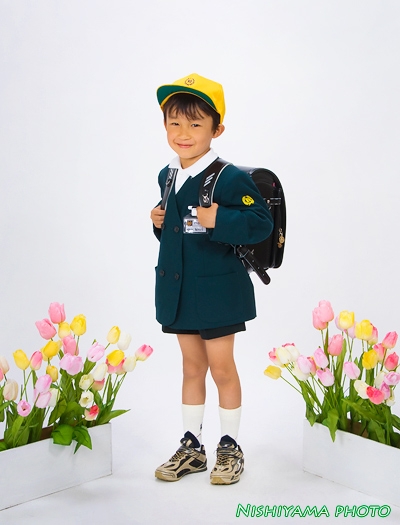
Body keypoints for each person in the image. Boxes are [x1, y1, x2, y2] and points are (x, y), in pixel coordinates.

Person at [150, 73, 273, 485]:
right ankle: (192, 447)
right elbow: (180, 231)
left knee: (222, 369)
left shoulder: (228, 177)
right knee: (191, 368)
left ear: (216, 129)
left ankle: (230, 447)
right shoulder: (168, 175)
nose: (183, 133)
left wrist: (220, 218)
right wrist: (158, 222)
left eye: (195, 124)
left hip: (218, 291)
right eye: (174, 123)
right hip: (180, 290)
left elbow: (261, 223)